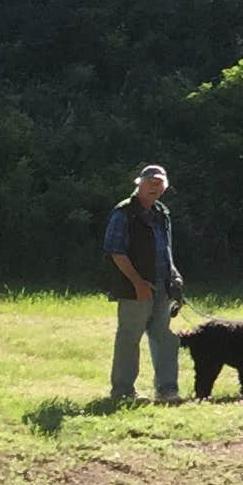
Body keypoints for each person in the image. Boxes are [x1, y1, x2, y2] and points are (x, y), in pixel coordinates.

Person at [106, 164, 184, 403]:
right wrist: (138, 283)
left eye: (159, 183)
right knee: (129, 338)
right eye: (150, 182)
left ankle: (167, 390)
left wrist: (175, 276)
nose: (154, 187)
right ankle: (123, 392)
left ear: (165, 187)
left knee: (165, 338)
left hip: (163, 285)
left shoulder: (162, 213)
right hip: (134, 288)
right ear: (138, 184)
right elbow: (115, 251)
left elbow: (166, 250)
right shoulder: (124, 212)